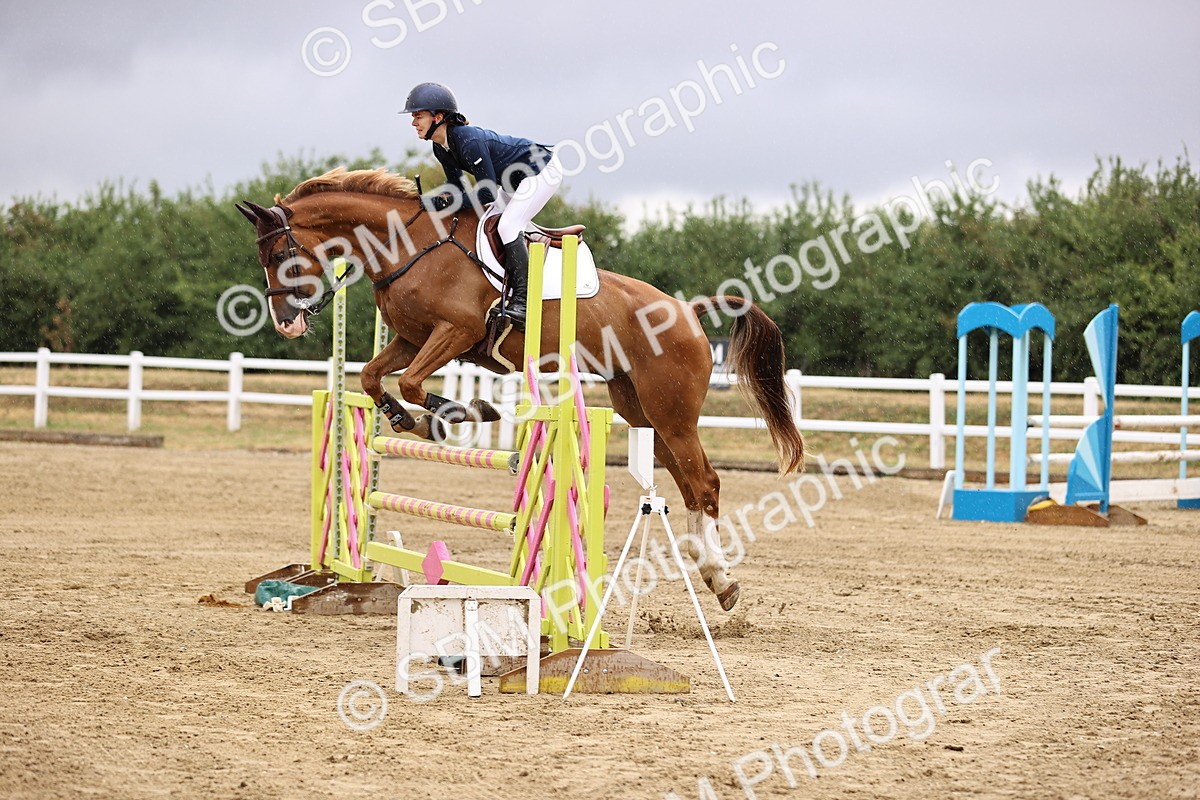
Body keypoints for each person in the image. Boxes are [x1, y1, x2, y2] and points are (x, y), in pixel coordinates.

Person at [402, 82, 562, 330]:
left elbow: (486, 193)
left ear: (438, 117)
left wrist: (445, 202)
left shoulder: (468, 141)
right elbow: (456, 186)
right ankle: (505, 287)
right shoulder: (440, 147)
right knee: (488, 223)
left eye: (418, 116)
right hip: (513, 181)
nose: (414, 123)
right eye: (414, 117)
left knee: (508, 227)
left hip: (541, 170)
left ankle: (523, 302)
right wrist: (427, 202)